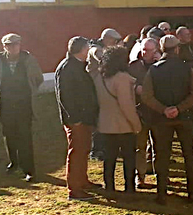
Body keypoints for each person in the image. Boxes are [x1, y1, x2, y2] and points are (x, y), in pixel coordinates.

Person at [141, 35, 193, 204]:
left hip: (161, 119)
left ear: (161, 49)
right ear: (177, 49)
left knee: (161, 156)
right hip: (184, 118)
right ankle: (192, 191)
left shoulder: (153, 70)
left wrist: (164, 109)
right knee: (188, 154)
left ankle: (161, 194)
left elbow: (146, 95)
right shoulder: (186, 68)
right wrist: (180, 108)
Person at [0, 33, 44, 182]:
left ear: (20, 45)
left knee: (25, 137)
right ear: (4, 47)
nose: (12, 48)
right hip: (5, 105)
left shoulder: (29, 59)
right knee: (9, 136)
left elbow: (38, 78)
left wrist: (30, 91)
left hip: (24, 105)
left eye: (15, 45)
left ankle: (29, 169)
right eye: (9, 45)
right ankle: (14, 162)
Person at [55, 36, 100, 200]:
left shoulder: (79, 66)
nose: (89, 51)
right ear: (81, 50)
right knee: (76, 152)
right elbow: (64, 96)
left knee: (84, 149)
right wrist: (75, 118)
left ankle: (82, 180)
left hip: (85, 117)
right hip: (76, 120)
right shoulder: (67, 68)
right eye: (87, 48)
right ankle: (74, 189)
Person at [94, 46, 141, 195]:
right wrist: (136, 124)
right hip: (123, 125)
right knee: (128, 158)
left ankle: (109, 187)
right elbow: (126, 105)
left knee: (109, 159)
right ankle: (129, 188)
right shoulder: (121, 78)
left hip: (105, 124)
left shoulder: (99, 77)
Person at [87, 28, 122, 161]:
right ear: (107, 39)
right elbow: (101, 57)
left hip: (104, 87)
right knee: (99, 119)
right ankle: (96, 150)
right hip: (95, 88)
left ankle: (108, 146)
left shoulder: (104, 48)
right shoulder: (95, 49)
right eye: (114, 40)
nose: (115, 43)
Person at [129, 38, 159, 189]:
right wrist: (135, 89)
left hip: (157, 112)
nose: (145, 53)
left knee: (158, 146)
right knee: (140, 147)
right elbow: (127, 85)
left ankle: (160, 175)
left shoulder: (160, 66)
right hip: (140, 112)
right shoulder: (133, 67)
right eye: (144, 50)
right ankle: (139, 178)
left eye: (149, 50)